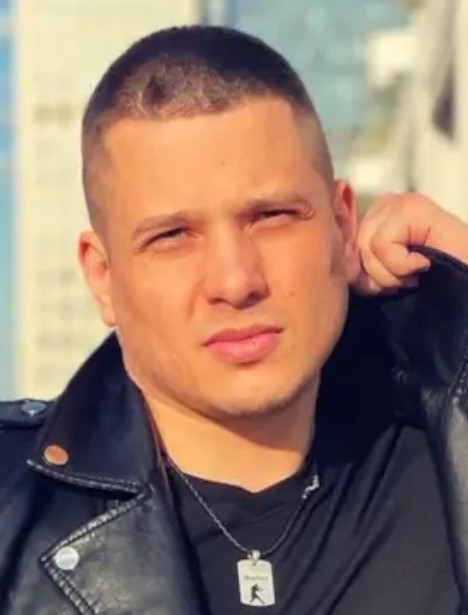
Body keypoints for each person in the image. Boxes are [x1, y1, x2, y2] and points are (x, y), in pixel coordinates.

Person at [1, 26, 468, 615]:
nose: (235, 281)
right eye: (173, 236)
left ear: (342, 225)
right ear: (103, 277)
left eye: (272, 216)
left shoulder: (446, 449)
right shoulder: (14, 515)